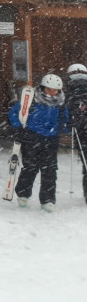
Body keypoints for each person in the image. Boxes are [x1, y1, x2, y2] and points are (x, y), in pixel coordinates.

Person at [9, 73, 67, 212]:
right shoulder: (31, 99)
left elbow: (64, 119)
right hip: (31, 137)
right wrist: (18, 128)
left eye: (55, 90)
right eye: (49, 89)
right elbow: (13, 113)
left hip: (51, 139)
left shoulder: (61, 102)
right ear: (42, 87)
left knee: (50, 170)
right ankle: (23, 194)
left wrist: (65, 126)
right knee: (30, 168)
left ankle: (47, 200)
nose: (52, 93)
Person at [64, 64, 87, 204]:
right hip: (82, 130)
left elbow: (65, 112)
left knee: (86, 162)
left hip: (80, 132)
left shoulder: (68, 93)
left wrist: (70, 122)